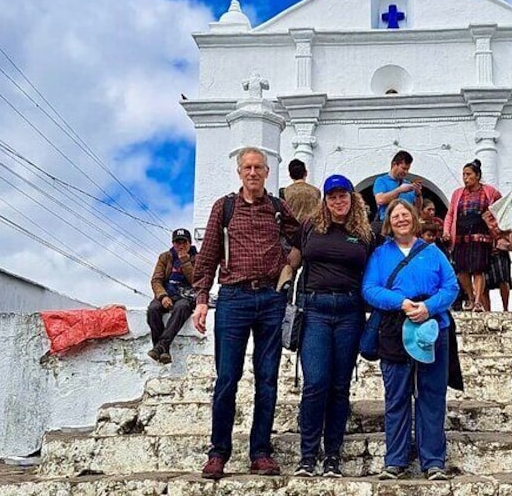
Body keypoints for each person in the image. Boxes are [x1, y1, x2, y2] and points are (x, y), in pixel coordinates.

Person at [192, 146, 300, 480]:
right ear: (239, 172)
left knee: (267, 380)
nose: (253, 173)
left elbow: (302, 241)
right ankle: (218, 452)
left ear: (268, 172)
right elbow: (208, 254)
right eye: (247, 167)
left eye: (259, 168)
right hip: (233, 300)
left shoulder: (280, 210)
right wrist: (200, 299)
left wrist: (288, 267)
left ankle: (260, 452)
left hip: (270, 300)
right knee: (227, 378)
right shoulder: (223, 208)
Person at [362, 199, 459, 481]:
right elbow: (369, 289)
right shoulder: (381, 254)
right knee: (397, 396)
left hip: (432, 328)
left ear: (414, 219)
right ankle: (395, 460)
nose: (401, 220)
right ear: (389, 223)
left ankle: (433, 462)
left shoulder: (433, 252)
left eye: (405, 215)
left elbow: (451, 286)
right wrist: (401, 302)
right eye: (395, 217)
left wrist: (428, 306)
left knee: (431, 395)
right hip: (394, 329)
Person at [289, 174, 375, 478]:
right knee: (315, 384)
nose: (338, 201)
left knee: (339, 387)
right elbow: (294, 259)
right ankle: (307, 455)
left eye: (343, 195)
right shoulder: (311, 226)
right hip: (316, 310)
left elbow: (375, 271)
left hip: (350, 312)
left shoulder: (364, 233)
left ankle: (332, 457)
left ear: (352, 198)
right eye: (332, 196)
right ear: (325, 200)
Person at [443, 159, 501, 312]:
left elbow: (500, 207)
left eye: (468, 174)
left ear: (477, 175)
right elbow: (450, 214)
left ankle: (477, 302)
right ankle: (469, 296)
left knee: (478, 269)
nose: (465, 178)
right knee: (461, 269)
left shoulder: (490, 192)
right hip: (461, 235)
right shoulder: (457, 194)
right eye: (463, 175)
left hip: (481, 234)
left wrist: (495, 224)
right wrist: (447, 231)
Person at [146, 228, 197, 364]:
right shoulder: (165, 257)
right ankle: (164, 351)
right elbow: (156, 279)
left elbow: (196, 282)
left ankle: (161, 346)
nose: (180, 246)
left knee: (182, 307)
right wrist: (163, 296)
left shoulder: (197, 258)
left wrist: (186, 262)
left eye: (184, 242)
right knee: (153, 310)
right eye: (177, 243)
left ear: (189, 243)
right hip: (167, 293)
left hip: (186, 295)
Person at [373, 151, 422, 230]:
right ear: (394, 165)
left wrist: (418, 194)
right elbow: (380, 200)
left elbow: (418, 209)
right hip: (387, 227)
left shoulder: (408, 184)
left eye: (407, 169)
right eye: (403, 168)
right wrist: (399, 190)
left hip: (406, 227)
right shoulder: (381, 181)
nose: (406, 172)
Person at [282, 158, 321, 223]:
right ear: (306, 173)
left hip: (292, 230)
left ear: (290, 176)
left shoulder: (284, 192)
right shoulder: (316, 191)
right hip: (311, 230)